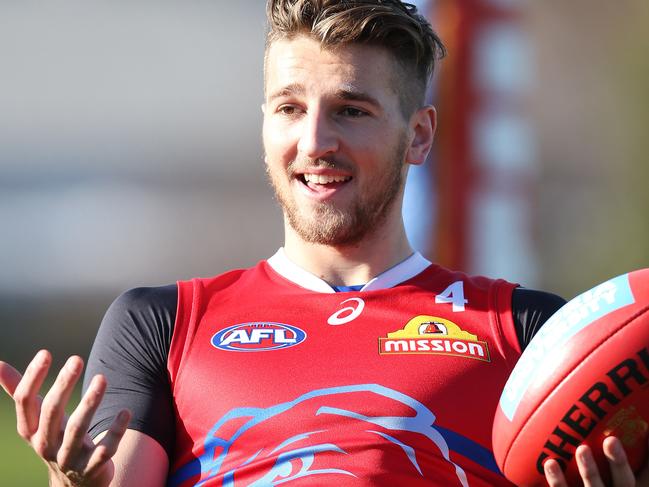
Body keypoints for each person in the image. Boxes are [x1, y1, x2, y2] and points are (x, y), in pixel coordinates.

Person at [0, 1, 646, 485]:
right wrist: (73, 480)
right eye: (288, 107)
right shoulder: (162, 321)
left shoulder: (528, 328)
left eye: (351, 110)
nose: (313, 142)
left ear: (418, 135)